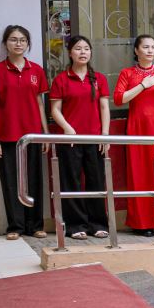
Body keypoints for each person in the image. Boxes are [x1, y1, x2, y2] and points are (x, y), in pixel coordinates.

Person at [0, 24, 49, 240]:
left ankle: (36, 225)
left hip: (33, 136)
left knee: (34, 180)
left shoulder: (36, 70)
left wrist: (45, 133)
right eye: (13, 39)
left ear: (28, 44)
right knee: (11, 181)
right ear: (5, 43)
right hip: (7, 135)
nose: (18, 43)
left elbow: (40, 104)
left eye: (22, 40)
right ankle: (15, 226)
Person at [112, 34, 154, 236]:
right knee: (139, 174)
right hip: (137, 128)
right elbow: (119, 99)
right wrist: (143, 85)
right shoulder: (127, 73)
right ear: (136, 50)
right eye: (146, 47)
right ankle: (142, 224)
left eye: (153, 47)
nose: (150, 50)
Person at [48, 34, 110, 239]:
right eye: (78, 48)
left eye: (86, 48)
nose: (83, 52)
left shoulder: (99, 78)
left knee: (96, 181)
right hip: (70, 140)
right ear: (70, 53)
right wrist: (68, 128)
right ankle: (75, 225)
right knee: (71, 182)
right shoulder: (61, 79)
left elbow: (104, 107)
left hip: (95, 139)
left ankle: (98, 224)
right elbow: (55, 109)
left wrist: (105, 135)